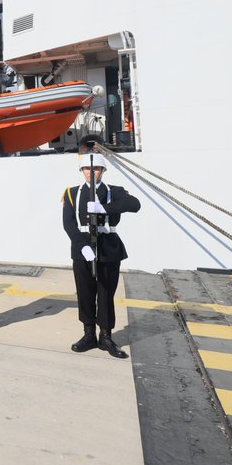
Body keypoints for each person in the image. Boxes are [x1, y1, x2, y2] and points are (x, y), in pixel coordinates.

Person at [62, 152, 142, 360]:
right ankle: (88, 333)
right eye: (87, 169)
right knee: (85, 292)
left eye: (96, 169)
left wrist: (103, 208)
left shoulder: (114, 191)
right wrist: (82, 247)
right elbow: (69, 224)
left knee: (106, 293)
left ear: (103, 171)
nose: (91, 172)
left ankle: (105, 336)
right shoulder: (71, 193)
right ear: (82, 171)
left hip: (108, 248)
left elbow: (134, 205)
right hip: (83, 249)